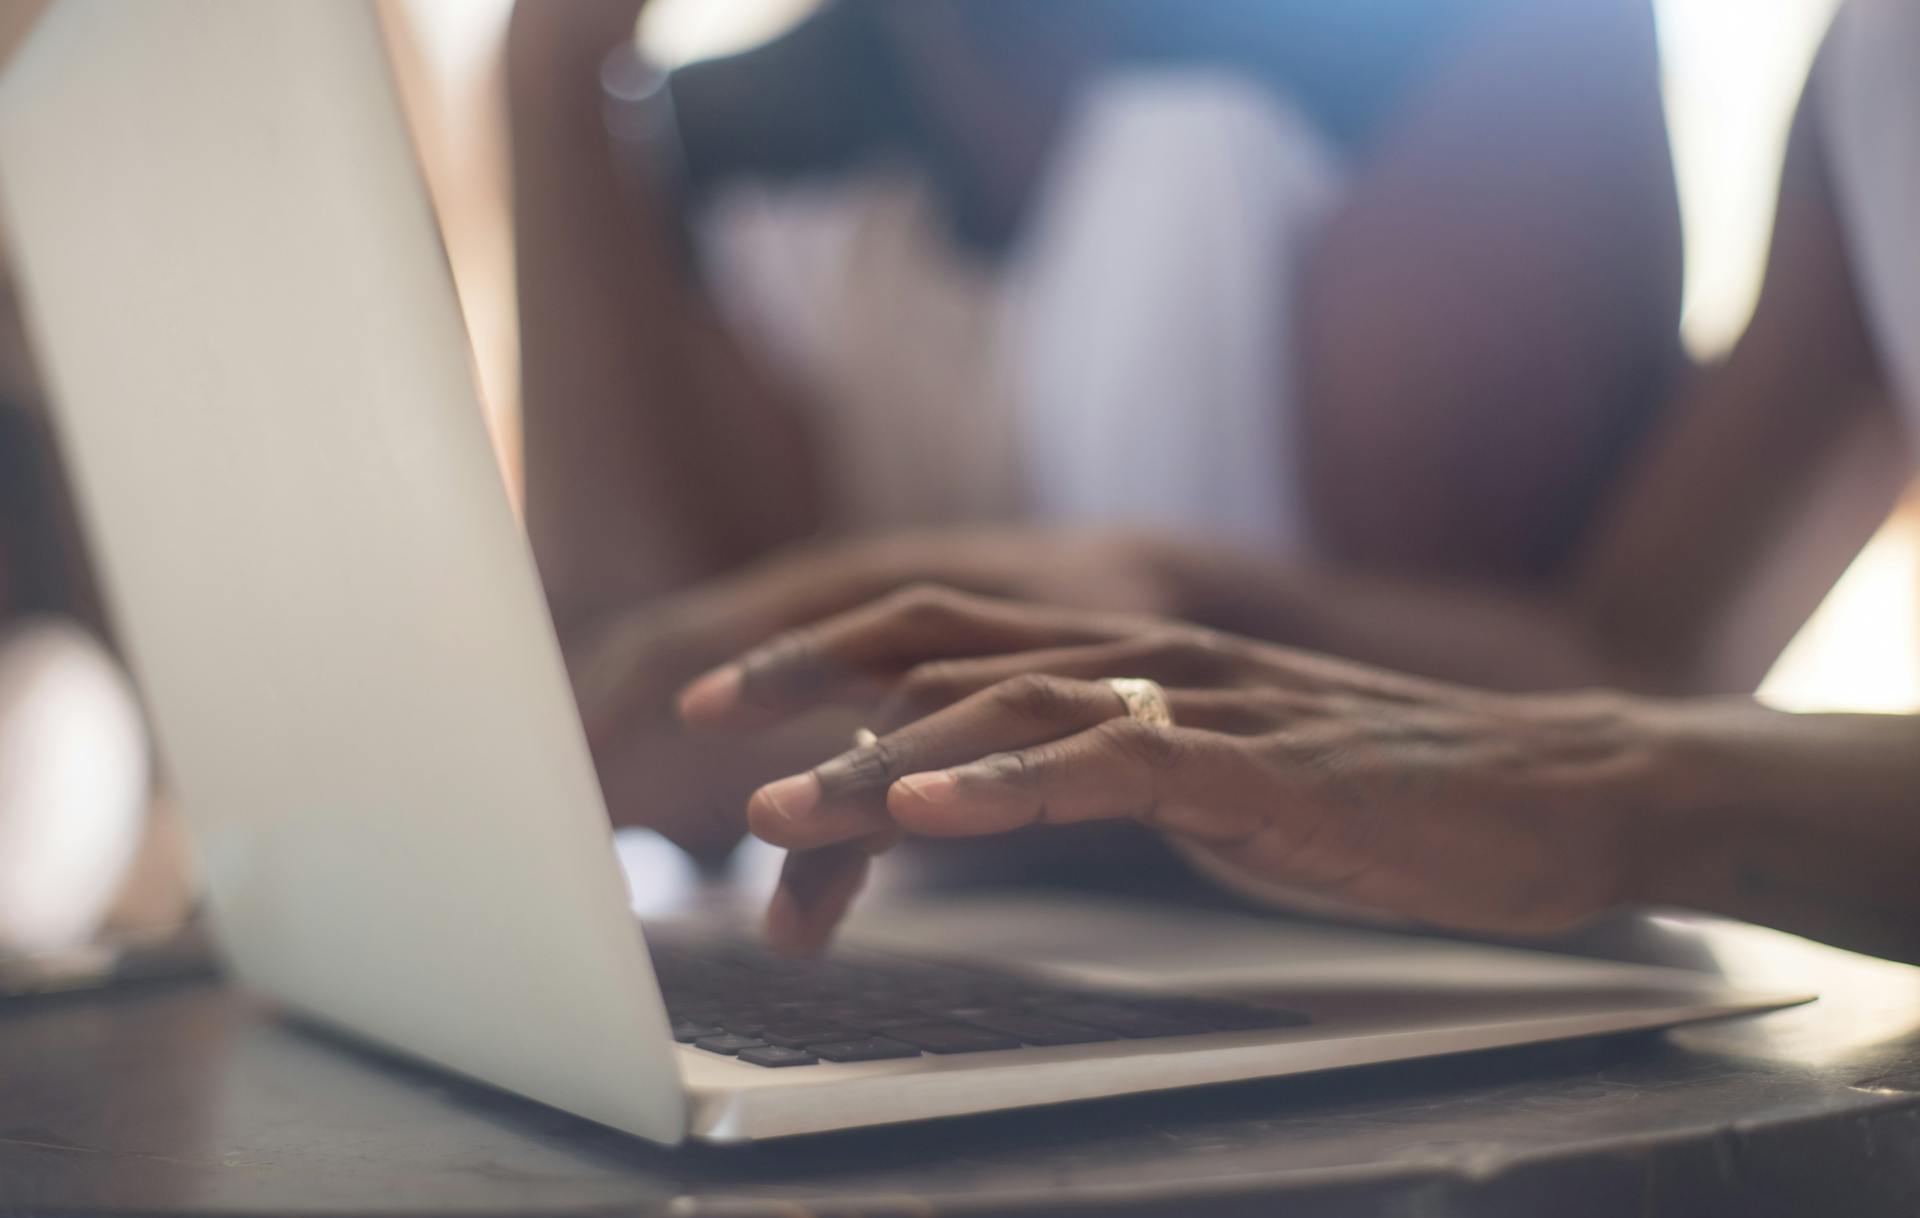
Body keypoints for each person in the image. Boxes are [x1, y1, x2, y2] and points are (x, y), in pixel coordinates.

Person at [660, 0, 1920, 965]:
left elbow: (1633, 702)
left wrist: (1612, 801)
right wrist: (1191, 616)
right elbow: (1642, 657)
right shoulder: (1870, 60)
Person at [509, 0, 1686, 855]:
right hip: (957, 986)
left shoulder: (1477, 43)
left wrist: (1155, 605)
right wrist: (552, 70)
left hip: (1439, 1001)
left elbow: (1611, 705)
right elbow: (627, 720)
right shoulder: (719, 134)